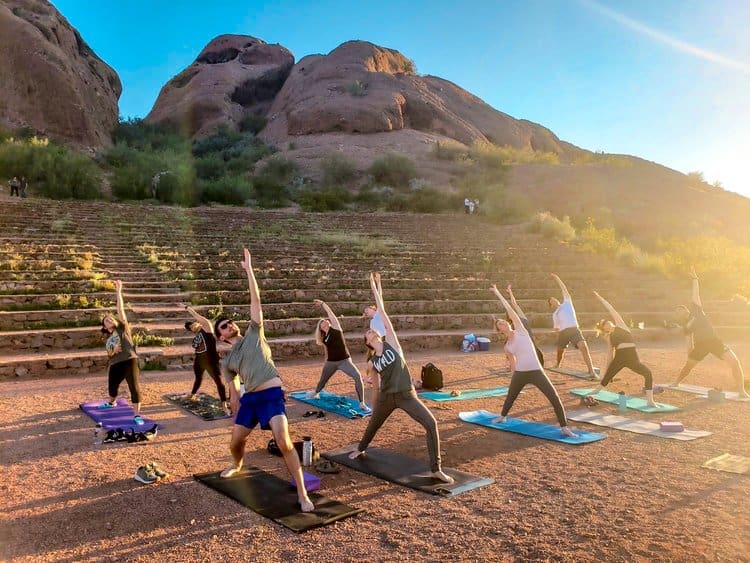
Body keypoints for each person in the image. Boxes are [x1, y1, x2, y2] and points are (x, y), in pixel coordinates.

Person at [214, 248, 314, 512]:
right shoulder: (228, 361)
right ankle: (237, 464)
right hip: (251, 400)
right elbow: (233, 387)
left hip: (271, 395)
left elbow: (255, 300)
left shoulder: (254, 334)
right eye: (223, 326)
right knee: (236, 442)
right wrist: (234, 404)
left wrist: (249, 271)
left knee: (284, 442)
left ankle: (303, 494)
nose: (229, 324)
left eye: (229, 321)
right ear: (221, 337)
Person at [349, 273, 454, 484]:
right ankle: (360, 448)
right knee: (373, 424)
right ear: (368, 343)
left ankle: (436, 469)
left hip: (407, 395)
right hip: (387, 397)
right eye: (368, 333)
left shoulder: (393, 345)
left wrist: (376, 287)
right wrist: (374, 402)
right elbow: (375, 384)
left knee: (431, 423)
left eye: (371, 330)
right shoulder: (372, 363)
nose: (371, 331)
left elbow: (383, 315)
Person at [490, 285, 578, 437]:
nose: (503, 324)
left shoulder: (521, 331)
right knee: (511, 397)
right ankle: (503, 416)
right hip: (520, 373)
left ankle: (564, 427)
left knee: (554, 397)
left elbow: (510, 309)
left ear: (509, 323)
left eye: (504, 322)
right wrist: (512, 374)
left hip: (537, 371)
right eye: (500, 325)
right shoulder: (507, 347)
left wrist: (498, 293)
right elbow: (512, 364)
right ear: (499, 331)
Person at [672, 267, 748, 397]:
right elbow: (688, 343)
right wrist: (690, 355)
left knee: (735, 362)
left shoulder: (696, 310)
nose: (677, 313)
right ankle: (676, 382)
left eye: (679, 310)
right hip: (700, 346)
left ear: (686, 310)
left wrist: (695, 279)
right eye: (676, 313)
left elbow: (695, 294)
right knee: (688, 367)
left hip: (714, 342)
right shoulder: (685, 326)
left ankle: (742, 390)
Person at [590, 291, 658, 407]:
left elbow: (611, 309)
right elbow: (610, 353)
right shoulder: (610, 337)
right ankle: (596, 391)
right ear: (604, 329)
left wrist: (600, 298)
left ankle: (650, 401)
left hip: (632, 358)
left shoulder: (621, 325)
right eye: (604, 325)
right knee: (607, 377)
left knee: (648, 373)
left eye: (606, 322)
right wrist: (608, 369)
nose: (606, 324)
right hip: (619, 358)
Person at [309, 299, 370, 412]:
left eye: (326, 321)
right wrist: (325, 361)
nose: (325, 322)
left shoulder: (336, 329)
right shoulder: (324, 337)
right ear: (321, 327)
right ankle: (316, 392)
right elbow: (327, 349)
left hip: (344, 361)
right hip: (331, 362)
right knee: (323, 380)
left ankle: (362, 403)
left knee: (357, 377)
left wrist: (323, 304)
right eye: (322, 322)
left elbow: (331, 314)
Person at [99, 280, 144, 424]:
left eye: (110, 318)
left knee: (134, 387)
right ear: (105, 327)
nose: (110, 319)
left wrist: (118, 291)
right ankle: (112, 402)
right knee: (112, 385)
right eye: (106, 320)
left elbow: (120, 309)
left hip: (130, 360)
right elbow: (109, 354)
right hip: (115, 363)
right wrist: (113, 351)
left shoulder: (122, 328)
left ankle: (137, 415)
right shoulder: (109, 339)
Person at [548, 273, 599, 379]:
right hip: (563, 333)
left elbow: (564, 289)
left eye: (554, 299)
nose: (554, 300)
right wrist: (559, 338)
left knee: (584, 347)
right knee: (560, 350)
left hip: (575, 330)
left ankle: (591, 370)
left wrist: (557, 278)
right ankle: (558, 364)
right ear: (551, 305)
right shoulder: (555, 314)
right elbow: (556, 328)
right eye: (551, 301)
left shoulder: (567, 303)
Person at [184, 305, 230, 416]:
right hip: (199, 360)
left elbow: (195, 315)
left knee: (219, 382)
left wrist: (187, 307)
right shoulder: (197, 336)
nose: (192, 327)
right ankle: (193, 394)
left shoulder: (207, 327)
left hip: (211, 360)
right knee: (198, 378)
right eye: (190, 328)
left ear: (197, 322)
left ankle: (224, 405)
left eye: (192, 324)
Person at [505, 284, 544, 366]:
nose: (512, 313)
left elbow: (514, 304)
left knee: (539, 360)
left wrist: (510, 292)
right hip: (523, 347)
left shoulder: (522, 317)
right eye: (510, 313)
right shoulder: (511, 325)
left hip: (531, 343)